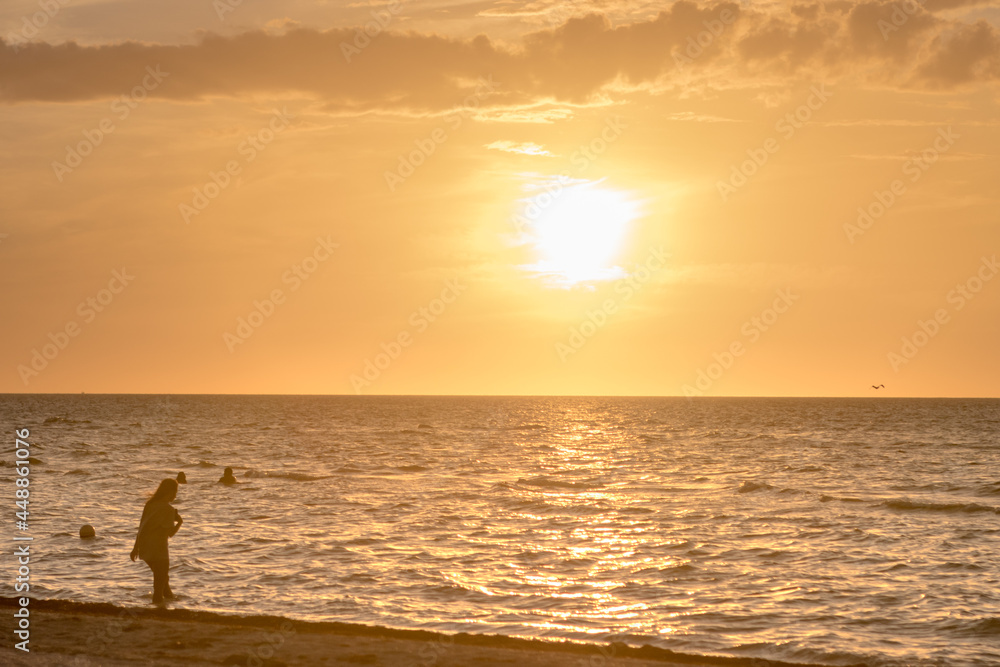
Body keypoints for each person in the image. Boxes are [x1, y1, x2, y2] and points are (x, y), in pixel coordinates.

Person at [130, 478, 183, 604]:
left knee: (164, 580)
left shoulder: (150, 504)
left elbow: (141, 526)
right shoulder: (168, 509)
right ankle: (159, 610)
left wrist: (135, 548)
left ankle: (169, 603)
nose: (175, 495)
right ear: (170, 492)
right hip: (159, 550)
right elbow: (170, 533)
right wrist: (179, 522)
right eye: (175, 492)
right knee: (159, 586)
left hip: (145, 547)